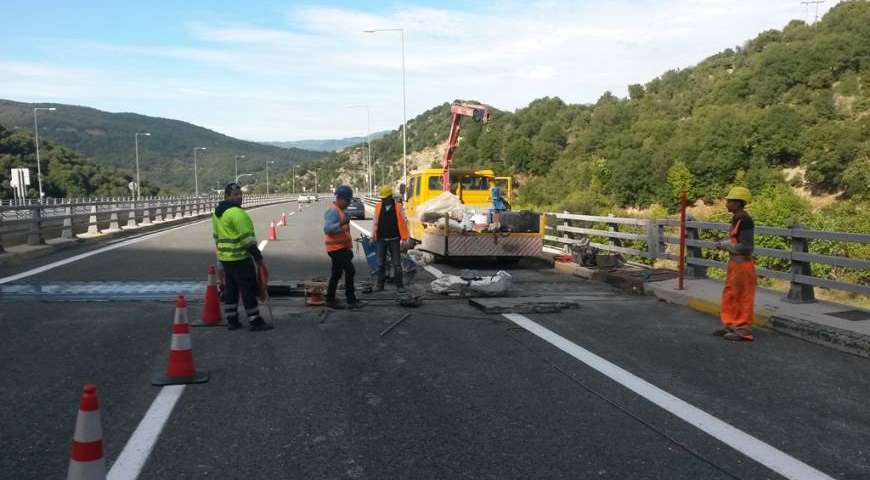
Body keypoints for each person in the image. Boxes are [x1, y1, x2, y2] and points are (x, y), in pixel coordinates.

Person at [212, 183, 273, 331]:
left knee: (231, 290)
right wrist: (258, 257)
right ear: (227, 196)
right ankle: (255, 320)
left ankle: (232, 320)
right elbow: (247, 240)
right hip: (240, 258)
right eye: (235, 195)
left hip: (226, 259)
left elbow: (216, 236)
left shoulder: (217, 213)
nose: (239, 197)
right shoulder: (237, 213)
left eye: (240, 194)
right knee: (247, 289)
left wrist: (222, 253)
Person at [713, 186, 755, 342]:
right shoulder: (736, 218)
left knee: (742, 297)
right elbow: (735, 240)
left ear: (739, 203)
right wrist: (724, 243)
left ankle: (743, 330)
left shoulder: (745, 220)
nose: (727, 203)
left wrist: (725, 246)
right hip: (735, 264)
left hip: (743, 265)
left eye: (730, 201)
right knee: (730, 295)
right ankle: (730, 325)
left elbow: (747, 246)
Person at [324, 185, 365, 309]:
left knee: (336, 273)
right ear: (340, 198)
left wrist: (348, 248)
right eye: (347, 200)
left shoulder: (340, 210)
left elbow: (344, 232)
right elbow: (328, 229)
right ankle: (351, 301)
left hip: (341, 247)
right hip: (336, 249)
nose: (348, 203)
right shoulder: (333, 211)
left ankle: (330, 299)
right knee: (350, 271)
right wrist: (342, 222)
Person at [372, 185, 409, 292]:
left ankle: (400, 286)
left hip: (394, 239)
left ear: (390, 197)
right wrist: (372, 236)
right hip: (381, 239)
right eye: (382, 198)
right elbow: (375, 223)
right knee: (380, 264)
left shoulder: (398, 206)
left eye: (384, 198)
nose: (382, 199)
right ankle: (380, 285)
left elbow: (404, 222)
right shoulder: (378, 206)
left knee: (397, 264)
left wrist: (405, 238)